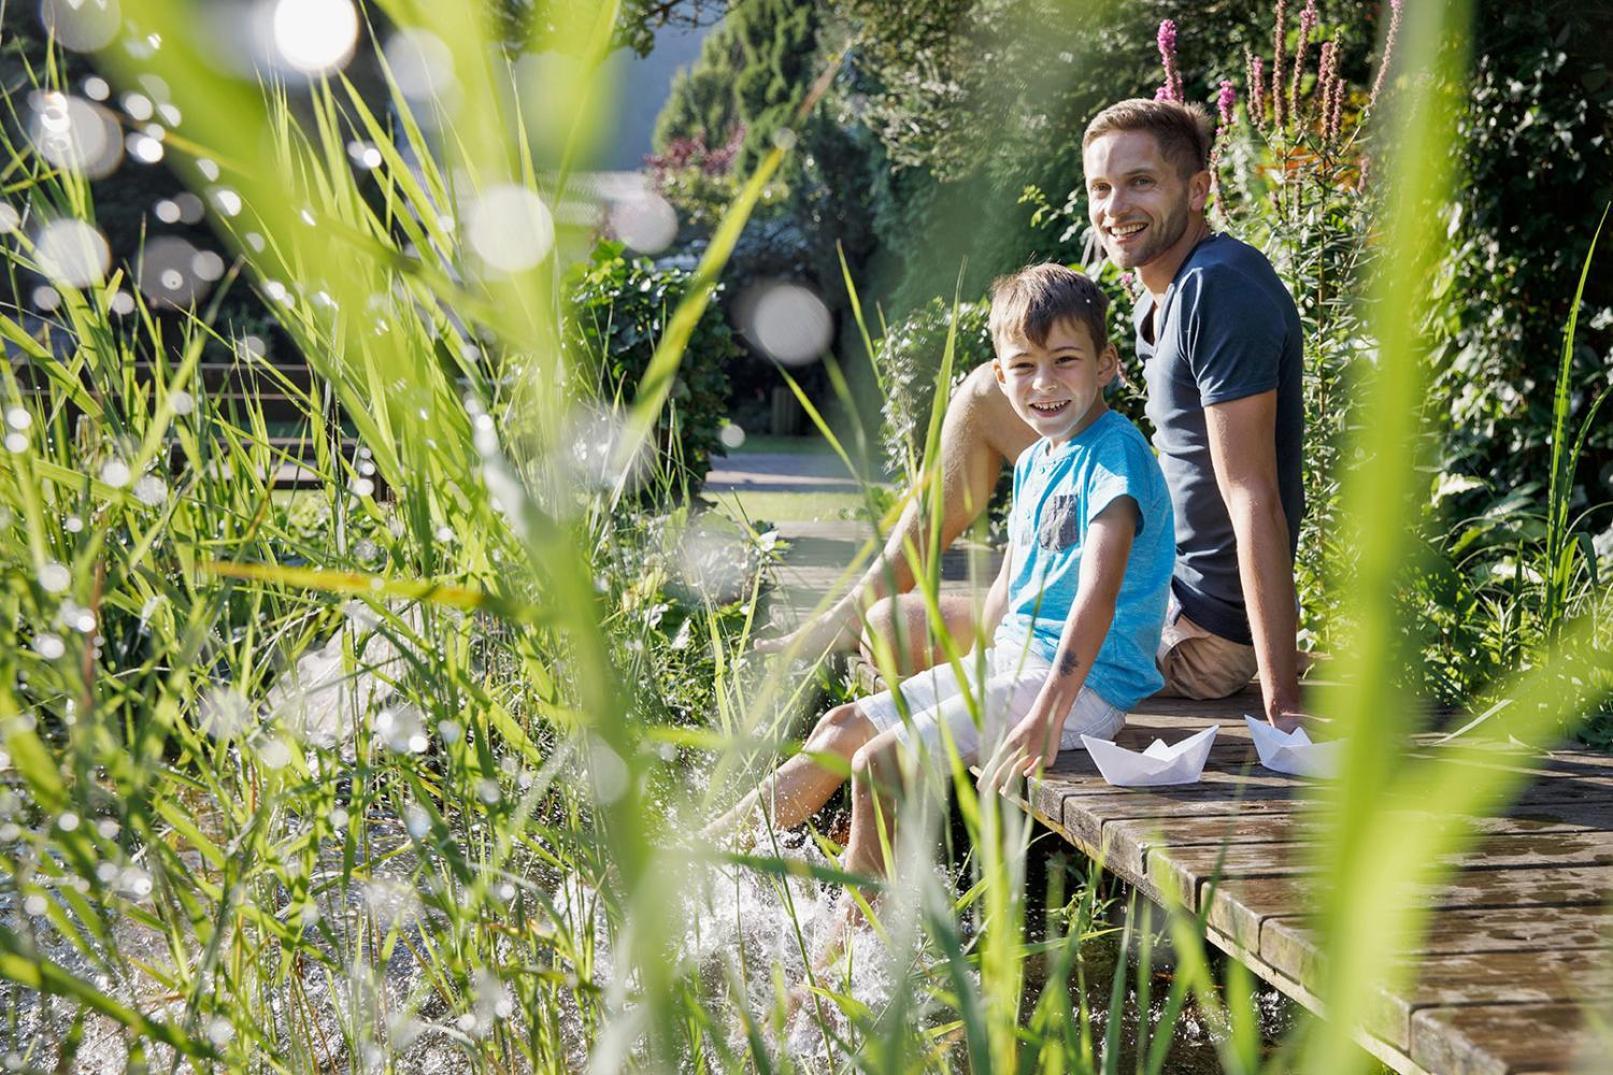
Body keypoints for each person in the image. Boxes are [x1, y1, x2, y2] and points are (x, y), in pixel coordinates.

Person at [759, 98, 1307, 732]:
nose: (1115, 207)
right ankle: (858, 614)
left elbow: (1253, 498)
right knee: (983, 398)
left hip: (1195, 633)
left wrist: (1282, 697)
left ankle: (895, 664)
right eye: (1101, 187)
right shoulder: (1160, 300)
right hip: (1156, 583)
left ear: (1197, 190)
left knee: (894, 632)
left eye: (1141, 183)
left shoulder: (1220, 287)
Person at [712, 264, 1174, 877]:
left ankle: (850, 943)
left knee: (880, 763)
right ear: (1000, 375)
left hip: (1081, 690)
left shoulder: (1114, 457)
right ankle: (702, 854)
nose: (1044, 383)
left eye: (1065, 361)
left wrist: (1048, 713)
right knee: (843, 725)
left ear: (1106, 364)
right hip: (1014, 663)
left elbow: (1097, 594)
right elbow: (1009, 595)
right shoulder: (1038, 459)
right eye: (1023, 366)